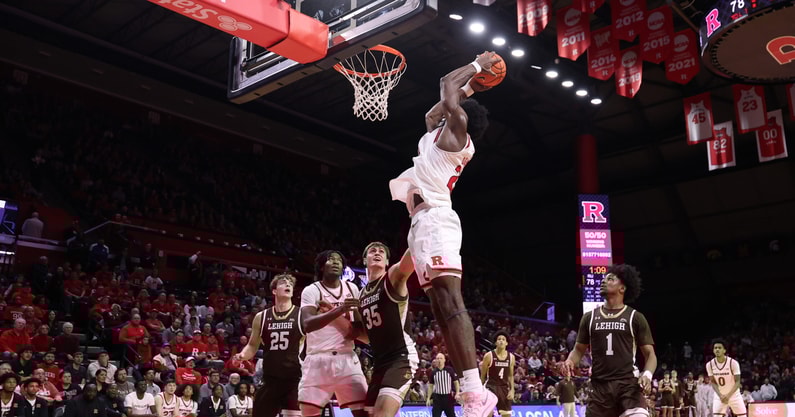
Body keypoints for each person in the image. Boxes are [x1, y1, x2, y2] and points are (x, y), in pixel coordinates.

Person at [388, 51, 501, 417]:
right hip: (422, 224)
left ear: (461, 119)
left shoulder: (456, 136)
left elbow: (445, 84)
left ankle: (475, 392)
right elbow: (431, 113)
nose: (444, 111)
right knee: (440, 308)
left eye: (453, 110)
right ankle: (472, 390)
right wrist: (471, 88)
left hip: (437, 221)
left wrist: (477, 65)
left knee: (452, 303)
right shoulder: (437, 135)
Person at [562, 264, 657, 417]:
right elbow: (578, 350)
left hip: (628, 386)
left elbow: (650, 354)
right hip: (599, 388)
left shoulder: (635, 317)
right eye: (604, 279)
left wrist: (647, 375)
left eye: (611, 279)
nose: (604, 281)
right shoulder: (589, 317)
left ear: (622, 288)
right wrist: (570, 361)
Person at [298, 251, 367, 417]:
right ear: (322, 266)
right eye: (330, 259)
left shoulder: (352, 288)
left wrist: (332, 310)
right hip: (317, 358)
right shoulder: (312, 290)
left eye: (339, 260)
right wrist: (340, 310)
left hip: (347, 358)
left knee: (363, 412)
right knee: (309, 414)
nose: (335, 262)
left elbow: (356, 331)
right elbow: (307, 324)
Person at [358, 242, 417, 417]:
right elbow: (366, 336)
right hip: (380, 363)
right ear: (364, 260)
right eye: (372, 251)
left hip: (401, 357)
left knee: (382, 413)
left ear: (387, 262)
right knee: (368, 414)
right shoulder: (361, 294)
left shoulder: (391, 278)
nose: (377, 253)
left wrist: (420, 232)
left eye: (381, 251)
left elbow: (406, 265)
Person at [234, 274, 302, 417]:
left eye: (290, 283)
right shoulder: (261, 317)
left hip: (294, 379)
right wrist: (242, 355)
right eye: (283, 282)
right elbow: (252, 345)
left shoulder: (301, 314)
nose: (288, 285)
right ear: (274, 291)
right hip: (271, 378)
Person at [706, 339, 746, 417]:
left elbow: (737, 382)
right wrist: (720, 395)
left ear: (724, 350)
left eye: (719, 348)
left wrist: (728, 396)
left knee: (742, 416)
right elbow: (713, 382)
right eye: (715, 348)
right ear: (713, 350)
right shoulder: (709, 365)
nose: (717, 349)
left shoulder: (733, 363)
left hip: (734, 395)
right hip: (719, 396)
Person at [479, 331, 514, 417]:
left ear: (506, 343)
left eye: (503, 339)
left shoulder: (511, 357)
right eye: (499, 339)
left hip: (504, 387)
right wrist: (479, 391)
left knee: (506, 415)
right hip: (490, 386)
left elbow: (510, 376)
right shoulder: (488, 356)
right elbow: (482, 376)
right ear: (495, 343)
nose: (501, 341)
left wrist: (512, 390)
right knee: (488, 413)